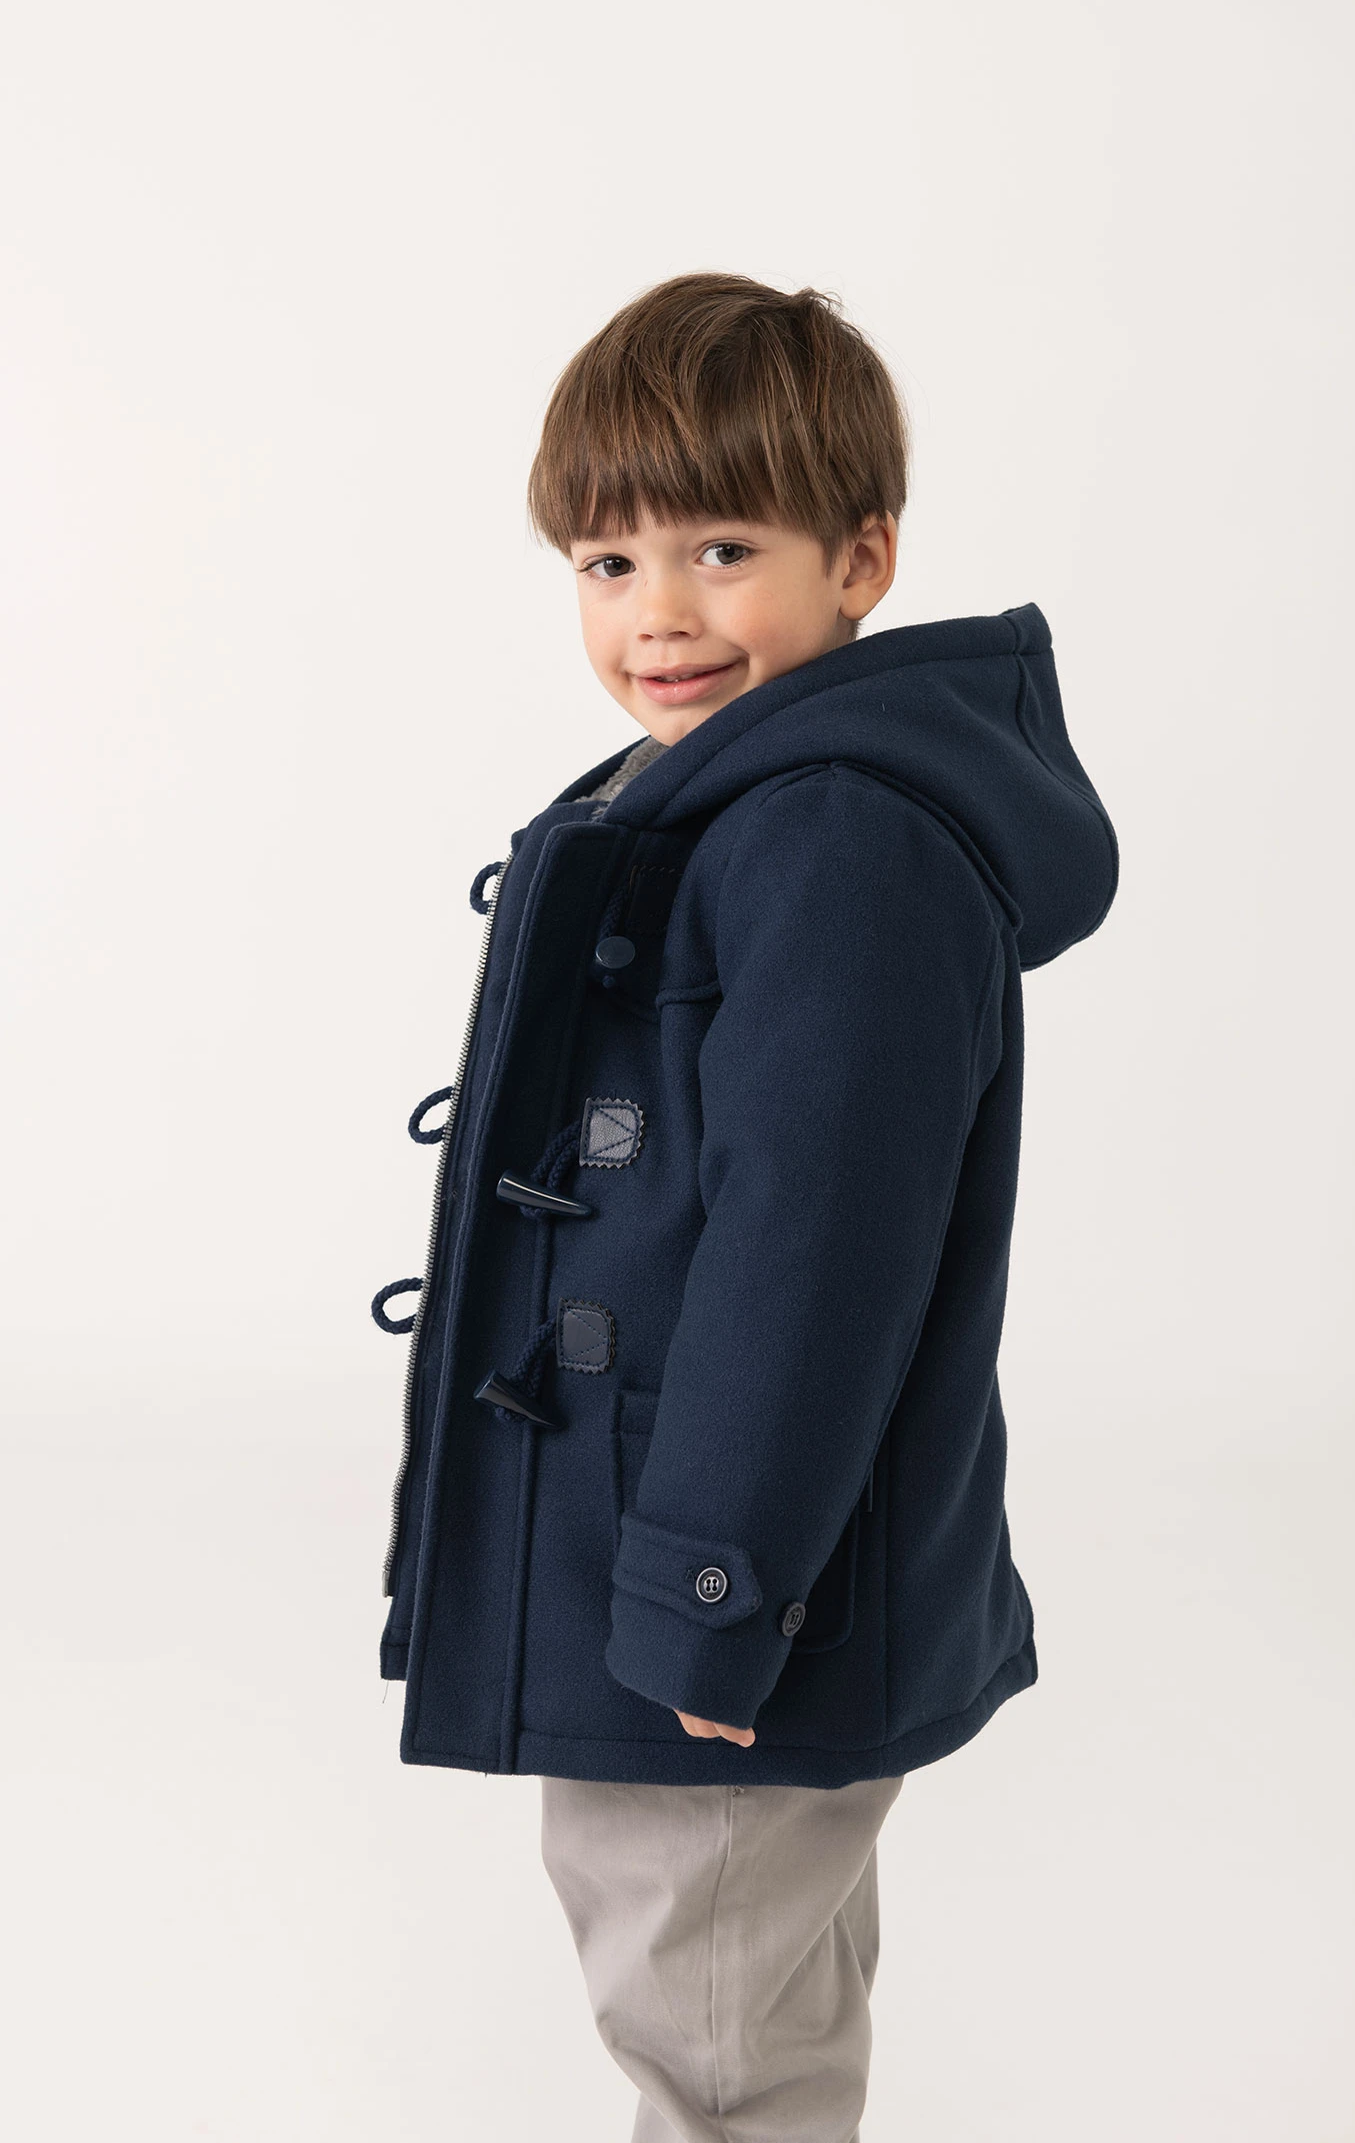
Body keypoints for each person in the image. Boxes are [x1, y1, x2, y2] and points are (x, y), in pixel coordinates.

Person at [371, 271, 1119, 2141]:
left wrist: (711, 1597)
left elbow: (814, 1259)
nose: (660, 614)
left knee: (713, 2041)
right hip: (688, 1556)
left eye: (721, 549)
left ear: (860, 559)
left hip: (723, 1591)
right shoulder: (718, 801)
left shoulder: (832, 839)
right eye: (607, 562)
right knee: (737, 2000)